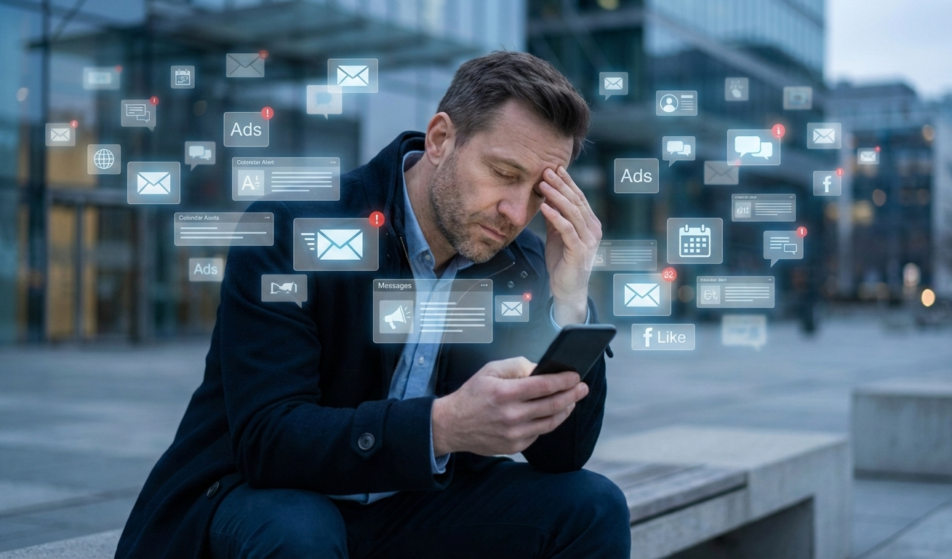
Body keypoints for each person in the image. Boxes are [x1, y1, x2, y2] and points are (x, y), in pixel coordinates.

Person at [115, 51, 631, 559]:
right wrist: (442, 425)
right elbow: (268, 441)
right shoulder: (292, 230)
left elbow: (561, 455)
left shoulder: (521, 264)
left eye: (540, 194)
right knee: (299, 532)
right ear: (440, 140)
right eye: (503, 172)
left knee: (593, 507)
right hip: (260, 497)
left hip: (409, 507)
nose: (516, 213)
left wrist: (569, 301)